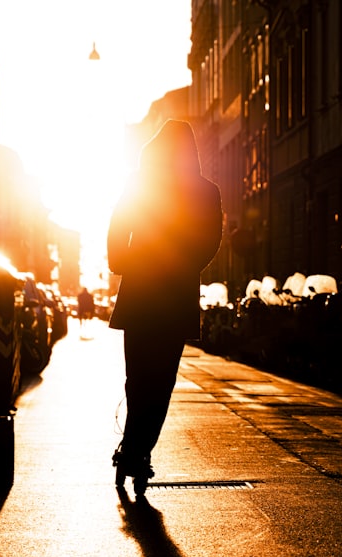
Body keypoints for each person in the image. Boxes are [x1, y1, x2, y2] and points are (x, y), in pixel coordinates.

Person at [107, 119, 223, 494]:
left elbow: (116, 225)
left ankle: (131, 450)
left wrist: (122, 261)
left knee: (136, 378)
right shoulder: (206, 190)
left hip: (141, 294)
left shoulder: (141, 182)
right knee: (161, 383)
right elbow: (211, 241)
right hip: (175, 299)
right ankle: (139, 452)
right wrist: (186, 267)